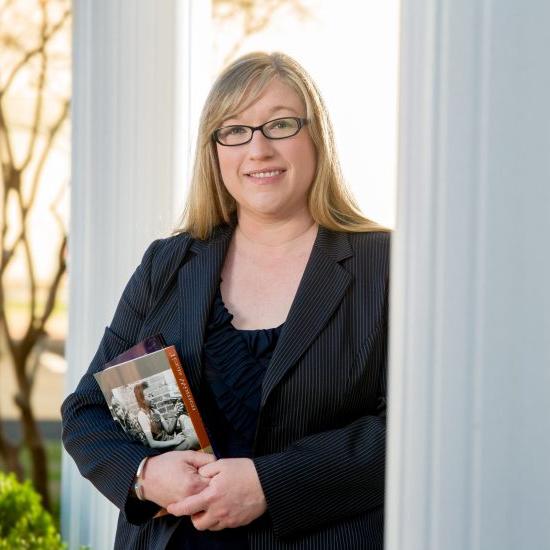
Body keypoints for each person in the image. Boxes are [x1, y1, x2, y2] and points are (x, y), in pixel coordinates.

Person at [61, 51, 390, 550]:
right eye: (234, 130)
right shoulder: (168, 264)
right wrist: (146, 474)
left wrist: (270, 485)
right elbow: (87, 411)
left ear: (316, 136)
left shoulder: (386, 265)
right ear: (214, 151)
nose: (257, 149)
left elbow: (413, 432)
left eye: (280, 125)